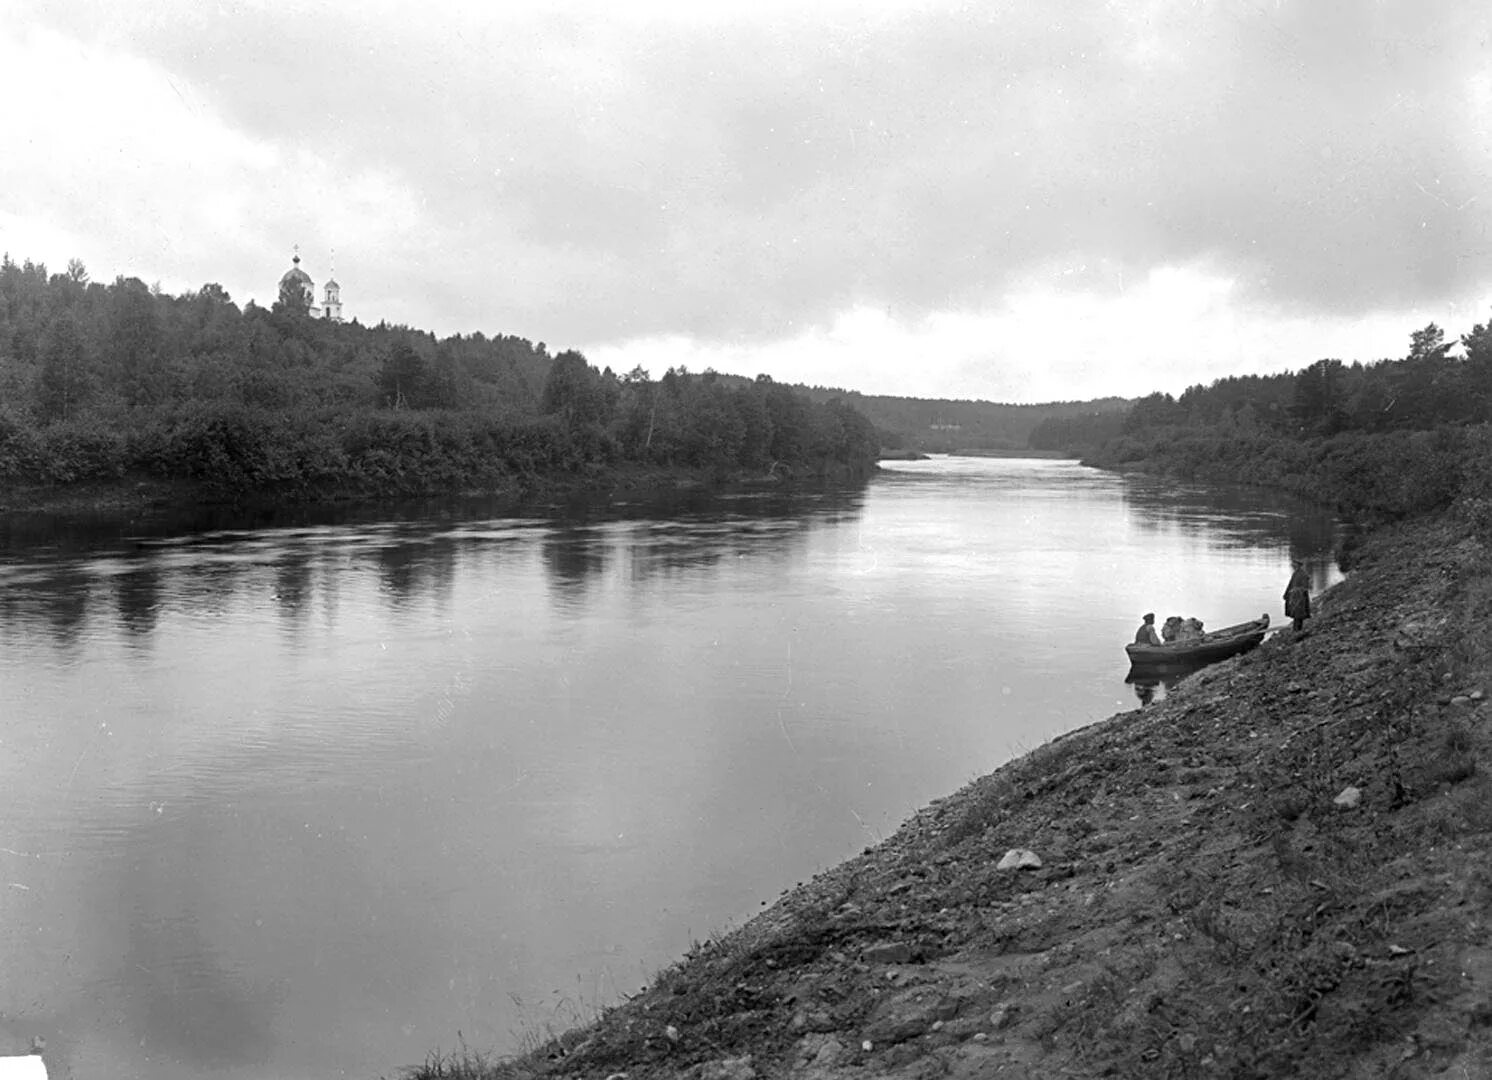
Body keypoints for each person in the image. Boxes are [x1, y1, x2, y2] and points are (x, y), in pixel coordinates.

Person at [1284, 560, 1311, 632]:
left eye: (1295, 564)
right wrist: (1286, 594)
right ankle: (1295, 629)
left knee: (1299, 614)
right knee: (1295, 613)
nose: (1293, 565)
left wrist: (1296, 591)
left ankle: (1298, 630)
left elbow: (1305, 587)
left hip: (1300, 598)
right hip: (1294, 597)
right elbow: (1290, 584)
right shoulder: (1295, 573)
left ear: (1298, 565)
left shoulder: (1303, 574)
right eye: (1293, 563)